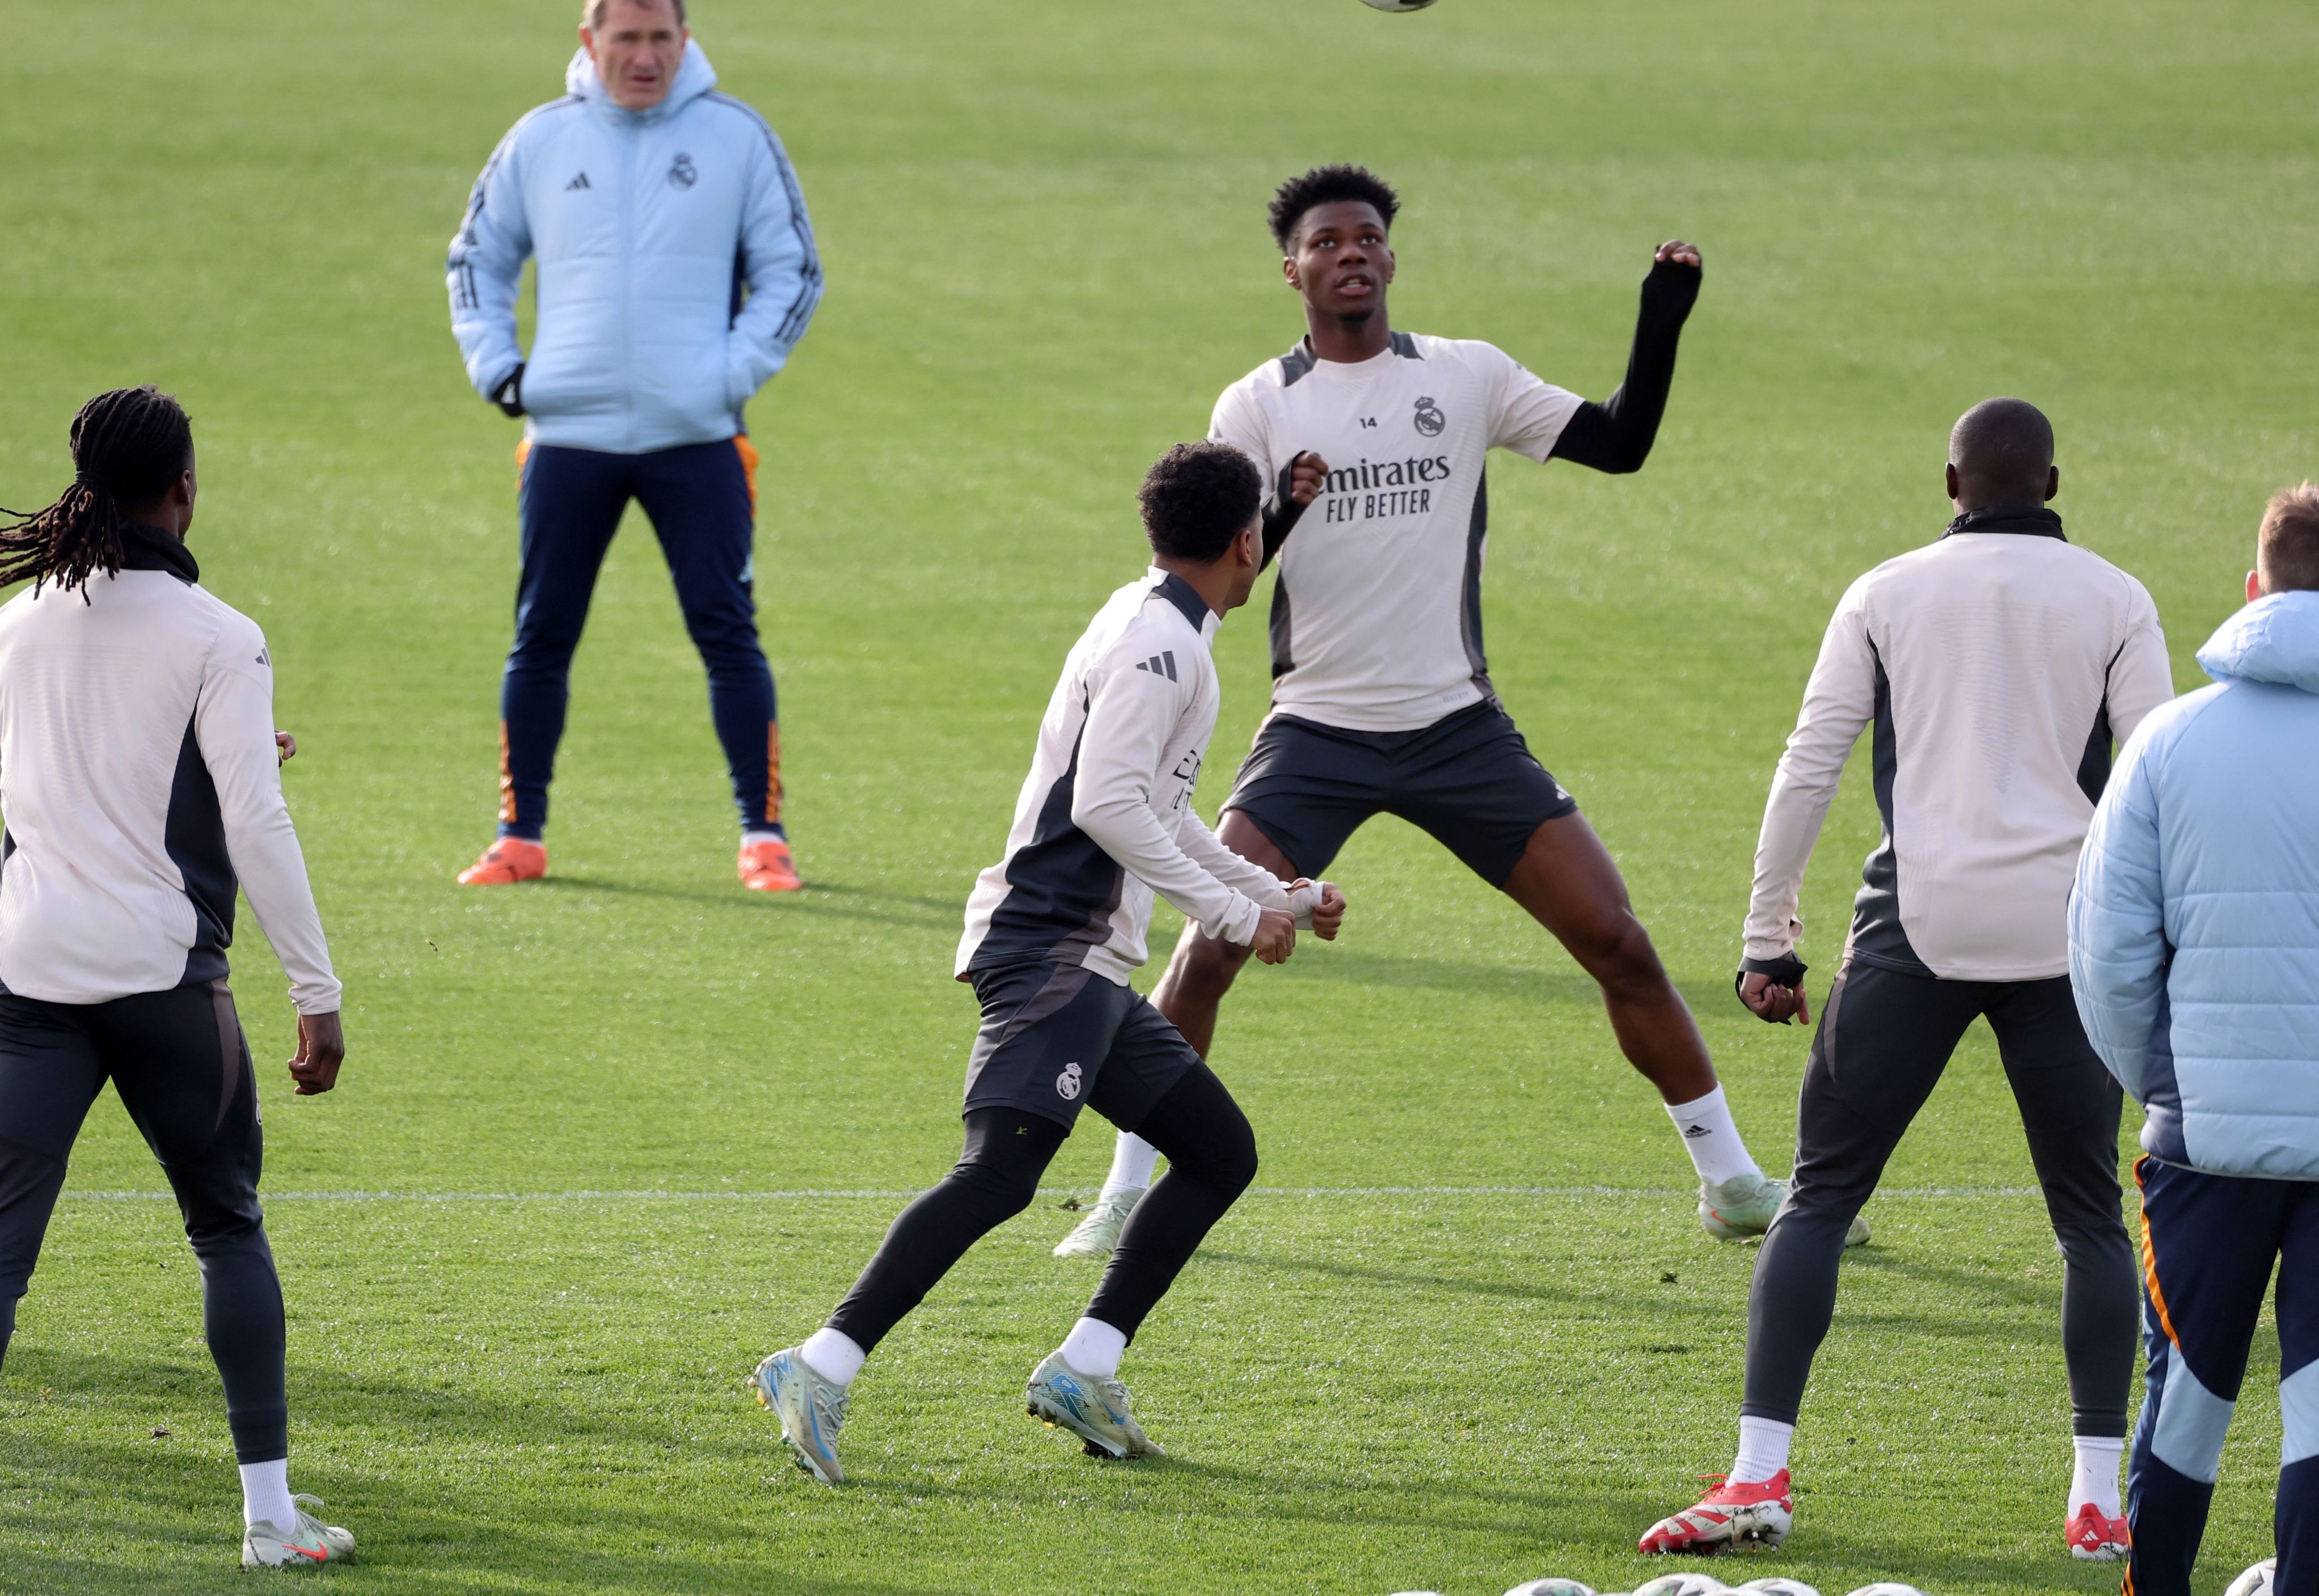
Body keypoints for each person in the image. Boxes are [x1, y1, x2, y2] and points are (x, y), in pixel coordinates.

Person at [1061, 163, 1772, 1260]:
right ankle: (1124, 1194)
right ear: (1292, 271)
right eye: (1327, 242)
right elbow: (1229, 565)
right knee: (1210, 945)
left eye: (1367, 237)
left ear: (1390, 257)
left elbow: (1620, 443)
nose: (1350, 253)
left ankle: (1730, 1181)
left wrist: (1660, 318)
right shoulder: (1257, 404)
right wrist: (1284, 508)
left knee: (1617, 938)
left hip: (1457, 728)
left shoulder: (1466, 374)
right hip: (1317, 731)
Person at [1638, 399, 2174, 1559]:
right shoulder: (2117, 597)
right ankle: (2099, 1502)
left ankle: (1756, 1476)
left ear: (1950, 483)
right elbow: (2151, 780)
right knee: (2090, 1218)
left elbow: (1811, 763)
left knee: (1821, 1197)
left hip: (1916, 927)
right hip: (2065, 937)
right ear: (2053, 483)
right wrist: (2156, 941)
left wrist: (1769, 938)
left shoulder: (1883, 592)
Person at [749, 442, 1343, 1483]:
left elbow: (1160, 811)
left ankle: (1086, 1366)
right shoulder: (1162, 646)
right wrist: (1232, 918)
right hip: (1053, 951)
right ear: (1249, 542)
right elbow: (1107, 806)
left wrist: (1275, 895)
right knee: (998, 1174)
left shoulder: (1154, 624)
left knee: (1218, 1151)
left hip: (1090, 965)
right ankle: (818, 1363)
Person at [0, 388, 353, 1578]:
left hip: (30, 977)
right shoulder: (220, 635)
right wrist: (316, 991)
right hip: (165, 982)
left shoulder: (13, 626)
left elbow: (24, 784)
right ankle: (270, 1518)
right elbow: (255, 822)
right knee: (227, 1227)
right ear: (185, 490)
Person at [445, 0, 822, 892]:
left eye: (661, 39)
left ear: (685, 41)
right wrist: (502, 372)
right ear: (591, 42)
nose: (645, 57)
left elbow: (794, 271)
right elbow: (476, 259)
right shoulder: (542, 139)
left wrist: (728, 375)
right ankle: (519, 836)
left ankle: (763, 837)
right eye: (628, 39)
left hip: (698, 438)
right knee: (542, 633)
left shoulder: (736, 138)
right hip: (566, 436)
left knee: (727, 631)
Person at [2071, 483, 2319, 1596]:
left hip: (2207, 1147)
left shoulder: (2170, 741)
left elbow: (2106, 953)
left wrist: (2169, 1087)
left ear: (2256, 586)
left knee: (2186, 1406)